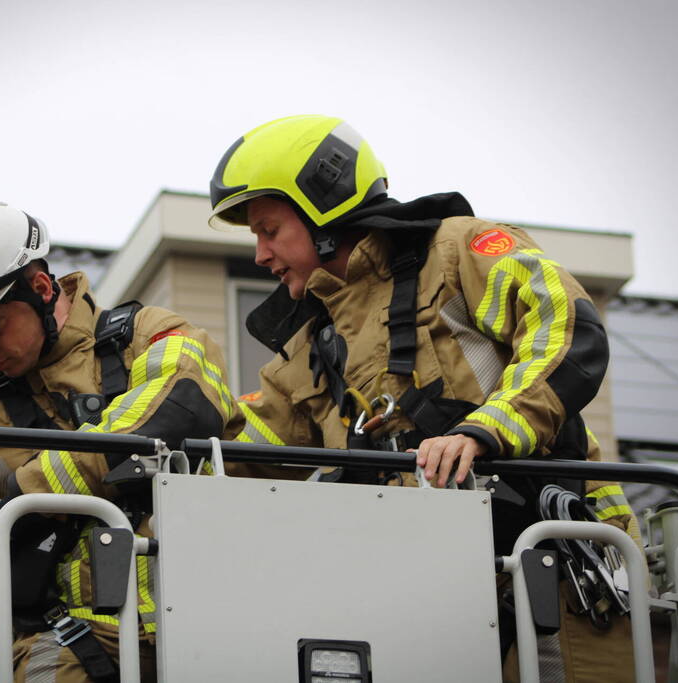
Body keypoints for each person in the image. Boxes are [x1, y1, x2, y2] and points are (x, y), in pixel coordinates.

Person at [209, 115, 640, 682]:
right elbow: (239, 454)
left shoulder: (458, 249)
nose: (261, 254)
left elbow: (565, 328)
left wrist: (487, 428)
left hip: (561, 571)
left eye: (269, 230)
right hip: (428, 604)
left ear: (324, 207)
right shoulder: (311, 347)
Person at [0, 196, 238, 682]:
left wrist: (28, 492)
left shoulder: (156, 336)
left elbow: (173, 415)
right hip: (67, 643)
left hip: (206, 628)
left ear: (40, 288)